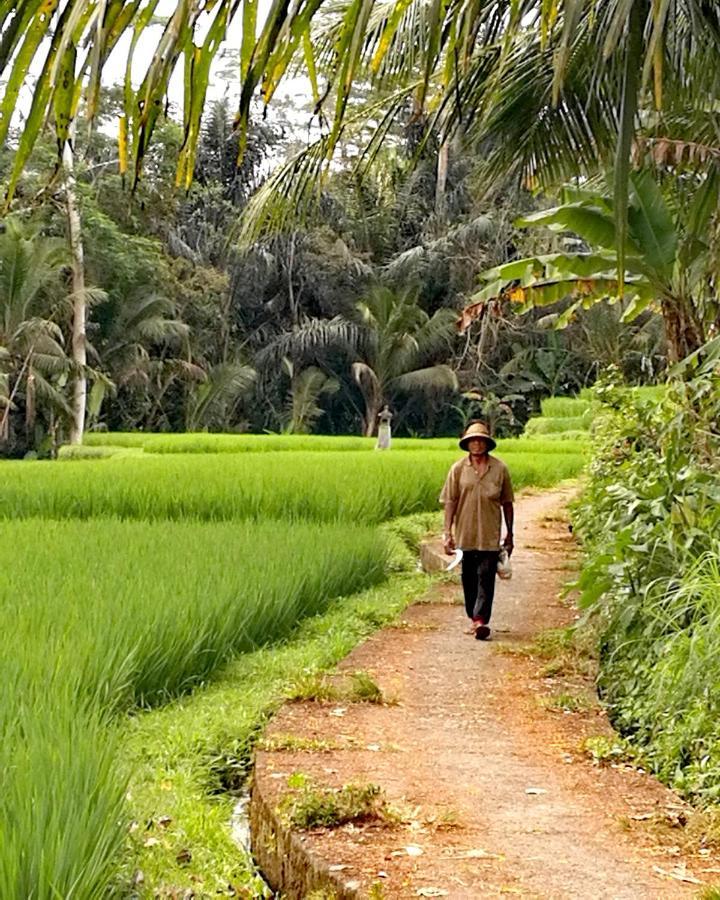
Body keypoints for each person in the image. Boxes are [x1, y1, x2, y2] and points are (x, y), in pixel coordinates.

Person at [439, 420, 514, 641]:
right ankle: (474, 617)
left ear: (487, 444)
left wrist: (510, 533)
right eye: (473, 441)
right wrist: (447, 533)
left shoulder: (499, 469)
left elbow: (507, 503)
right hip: (465, 534)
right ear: (467, 444)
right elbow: (450, 501)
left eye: (481, 441)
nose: (477, 445)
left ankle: (480, 620)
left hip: (490, 536)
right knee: (469, 578)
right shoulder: (458, 469)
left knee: (486, 576)